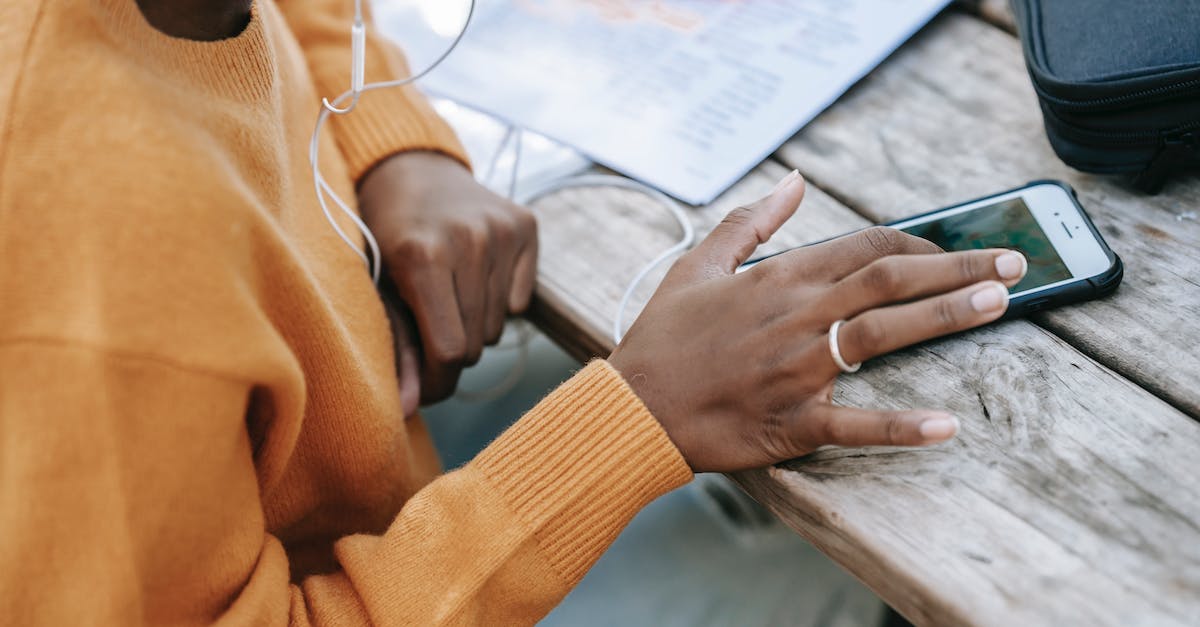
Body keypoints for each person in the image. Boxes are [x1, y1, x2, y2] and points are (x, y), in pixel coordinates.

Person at [0, 0, 1029, 624]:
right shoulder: (90, 246)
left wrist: (390, 141)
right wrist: (635, 421)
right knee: (815, 568)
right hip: (320, 573)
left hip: (348, 450)